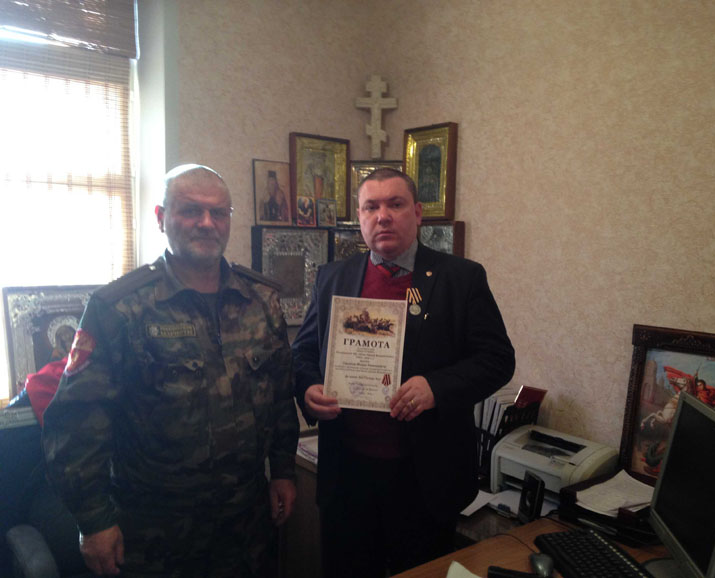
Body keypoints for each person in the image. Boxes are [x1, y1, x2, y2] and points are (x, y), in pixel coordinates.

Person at [42, 164, 299, 577]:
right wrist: (94, 520)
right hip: (155, 531)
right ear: (161, 218)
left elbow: (280, 394)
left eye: (218, 212)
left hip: (246, 523)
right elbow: (77, 422)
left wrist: (283, 470)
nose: (206, 223)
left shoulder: (260, 301)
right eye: (191, 210)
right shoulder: (118, 308)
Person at [292, 168, 516, 577]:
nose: (383, 216)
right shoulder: (332, 277)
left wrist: (437, 387)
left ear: (417, 213)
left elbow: (498, 359)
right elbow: (303, 352)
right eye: (371, 207)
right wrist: (308, 387)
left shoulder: (461, 278)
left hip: (423, 481)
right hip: (348, 477)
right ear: (360, 218)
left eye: (395, 204)